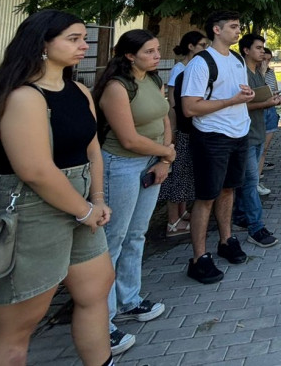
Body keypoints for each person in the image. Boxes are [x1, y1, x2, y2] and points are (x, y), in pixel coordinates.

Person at [0, 10, 115, 366]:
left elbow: (92, 148)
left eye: (84, 37)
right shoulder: (23, 97)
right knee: (18, 325)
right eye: (73, 38)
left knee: (95, 290)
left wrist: (96, 199)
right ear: (42, 45)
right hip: (33, 211)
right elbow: (35, 170)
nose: (84, 45)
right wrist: (84, 210)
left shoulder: (79, 90)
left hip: (81, 203)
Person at [93, 30, 173, 354]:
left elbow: (165, 117)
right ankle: (102, 320)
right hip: (122, 167)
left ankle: (130, 299)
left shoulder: (153, 80)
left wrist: (165, 155)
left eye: (156, 49)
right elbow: (127, 138)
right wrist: (166, 153)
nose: (156, 55)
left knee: (136, 234)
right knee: (113, 239)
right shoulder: (116, 88)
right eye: (149, 51)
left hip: (153, 162)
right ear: (129, 55)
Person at [180, 11, 256, 285]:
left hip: (239, 133)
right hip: (212, 137)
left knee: (228, 190)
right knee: (206, 197)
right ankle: (199, 258)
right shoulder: (201, 63)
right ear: (216, 29)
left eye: (239, 26)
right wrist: (231, 101)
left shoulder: (236, 59)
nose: (238, 32)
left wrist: (243, 97)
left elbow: (236, 94)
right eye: (234, 27)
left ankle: (226, 240)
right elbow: (189, 107)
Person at [231, 34, 280, 248]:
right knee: (251, 181)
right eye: (258, 48)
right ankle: (256, 227)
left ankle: (241, 216)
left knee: (246, 181)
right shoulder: (240, 74)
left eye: (263, 48)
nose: (263, 52)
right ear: (246, 50)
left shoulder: (259, 74)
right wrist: (266, 103)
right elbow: (238, 105)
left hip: (258, 131)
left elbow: (261, 99)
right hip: (246, 135)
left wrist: (273, 100)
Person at [160, 31, 207, 237]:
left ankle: (182, 212)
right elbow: (172, 104)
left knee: (186, 173)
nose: (205, 49)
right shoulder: (180, 69)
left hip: (191, 128)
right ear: (190, 46)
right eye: (202, 45)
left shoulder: (196, 67)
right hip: (181, 128)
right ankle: (173, 221)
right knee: (178, 174)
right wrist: (173, 131)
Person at [252, 44, 281, 190]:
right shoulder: (254, 72)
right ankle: (253, 181)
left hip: (270, 109)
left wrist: (277, 95)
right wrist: (262, 72)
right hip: (258, 111)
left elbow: (273, 88)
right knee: (258, 146)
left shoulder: (270, 72)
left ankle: (257, 178)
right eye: (264, 59)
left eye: (269, 60)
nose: (266, 63)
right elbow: (257, 92)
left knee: (265, 147)